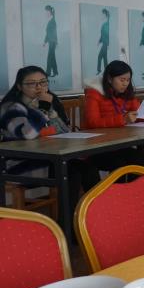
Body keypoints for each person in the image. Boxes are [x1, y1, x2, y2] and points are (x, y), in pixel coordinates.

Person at [0, 66, 99, 205]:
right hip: (18, 164)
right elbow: (28, 134)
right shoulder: (11, 107)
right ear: (19, 86)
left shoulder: (45, 102)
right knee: (70, 173)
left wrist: (49, 110)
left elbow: (64, 131)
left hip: (46, 157)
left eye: (43, 82)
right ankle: (67, 218)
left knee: (88, 168)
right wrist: (44, 108)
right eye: (32, 83)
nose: (39, 87)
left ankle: (94, 212)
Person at [83, 60, 144, 170]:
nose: (125, 83)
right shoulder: (94, 93)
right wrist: (123, 119)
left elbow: (137, 114)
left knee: (140, 158)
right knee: (120, 164)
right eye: (122, 80)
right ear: (109, 79)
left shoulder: (127, 93)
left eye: (128, 80)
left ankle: (140, 182)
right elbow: (92, 122)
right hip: (98, 146)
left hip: (120, 143)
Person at [43, 5, 58, 78]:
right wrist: (45, 42)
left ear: (50, 12)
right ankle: (55, 72)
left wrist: (54, 41)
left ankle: (48, 73)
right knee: (52, 57)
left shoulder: (52, 21)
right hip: (51, 42)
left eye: (47, 12)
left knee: (50, 57)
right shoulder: (51, 21)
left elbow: (53, 33)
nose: (46, 13)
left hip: (52, 42)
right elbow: (48, 33)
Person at [96, 8, 110, 74]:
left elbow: (108, 35)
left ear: (105, 15)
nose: (101, 16)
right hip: (104, 43)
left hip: (105, 44)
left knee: (100, 57)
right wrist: (99, 41)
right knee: (105, 58)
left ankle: (99, 70)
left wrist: (108, 44)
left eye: (102, 14)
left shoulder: (107, 25)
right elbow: (102, 35)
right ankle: (106, 71)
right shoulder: (104, 25)